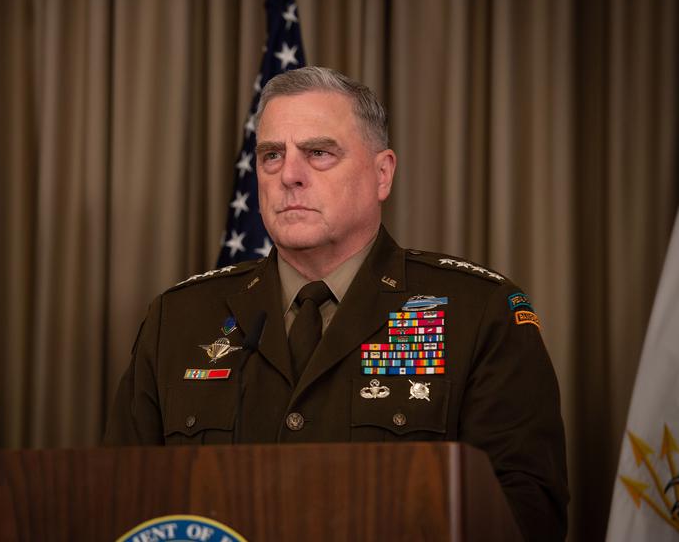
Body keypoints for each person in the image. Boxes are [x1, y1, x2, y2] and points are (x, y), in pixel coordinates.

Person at [105, 66, 568, 541]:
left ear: (382, 173)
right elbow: (120, 503)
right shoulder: (180, 319)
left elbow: (527, 517)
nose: (289, 175)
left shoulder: (478, 312)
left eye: (319, 153)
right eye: (271, 156)